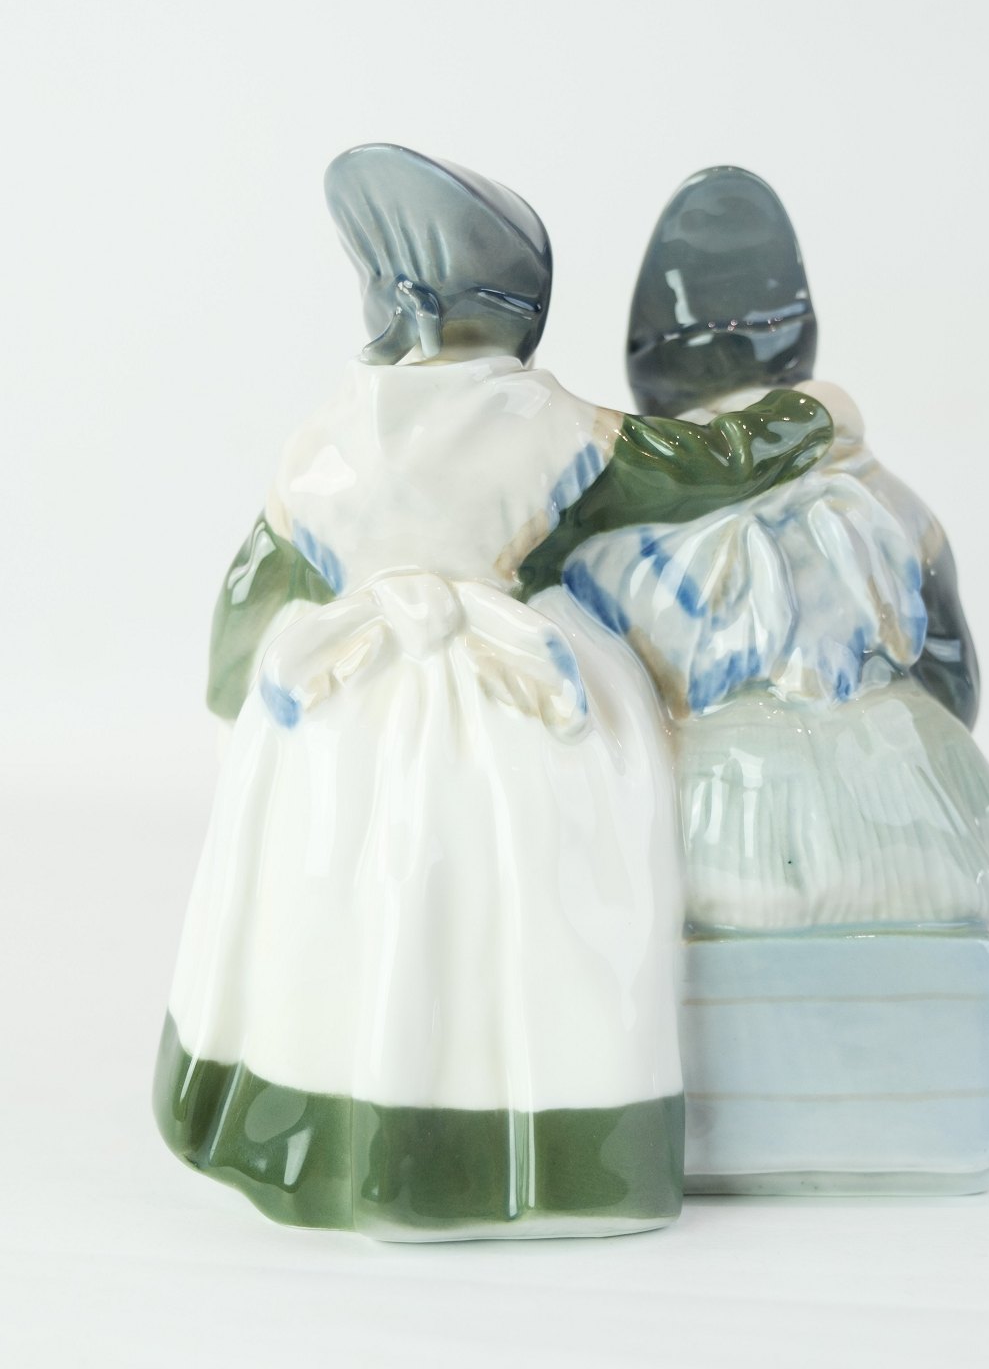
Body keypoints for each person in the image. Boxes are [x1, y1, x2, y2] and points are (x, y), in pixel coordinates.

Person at [155, 145, 833, 1240]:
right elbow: (697, 463)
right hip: (525, 705)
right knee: (547, 906)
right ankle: (556, 1155)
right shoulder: (544, 423)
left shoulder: (323, 440)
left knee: (337, 905)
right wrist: (806, 421)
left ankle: (314, 1124)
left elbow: (253, 589)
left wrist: (242, 695)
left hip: (349, 710)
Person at [547, 165, 989, 931]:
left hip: (715, 824)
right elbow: (952, 674)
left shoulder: (614, 537)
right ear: (799, 349)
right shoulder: (886, 500)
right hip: (903, 810)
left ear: (649, 372)